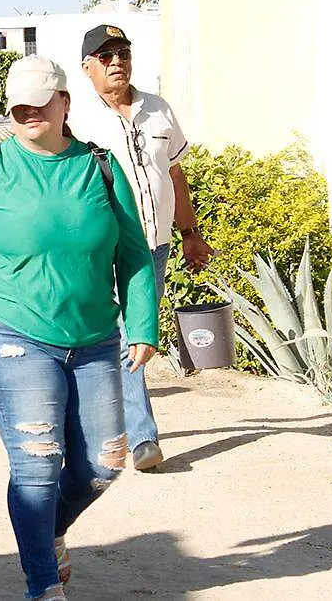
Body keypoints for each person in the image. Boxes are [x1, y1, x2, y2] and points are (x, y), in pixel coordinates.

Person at [0, 55, 158, 601]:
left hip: (94, 337)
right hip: (9, 332)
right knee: (38, 462)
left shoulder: (101, 167)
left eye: (40, 103)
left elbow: (135, 255)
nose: (28, 113)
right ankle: (43, 586)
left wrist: (142, 324)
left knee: (102, 464)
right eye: (18, 106)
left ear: (64, 103)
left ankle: (49, 531)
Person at [72, 24, 215, 472]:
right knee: (120, 337)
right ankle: (141, 436)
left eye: (123, 53)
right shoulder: (77, 120)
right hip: (102, 249)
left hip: (154, 246)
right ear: (87, 67)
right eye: (106, 56)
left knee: (136, 337)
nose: (117, 62)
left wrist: (190, 233)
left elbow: (174, 174)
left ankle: (109, 424)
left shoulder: (158, 110)